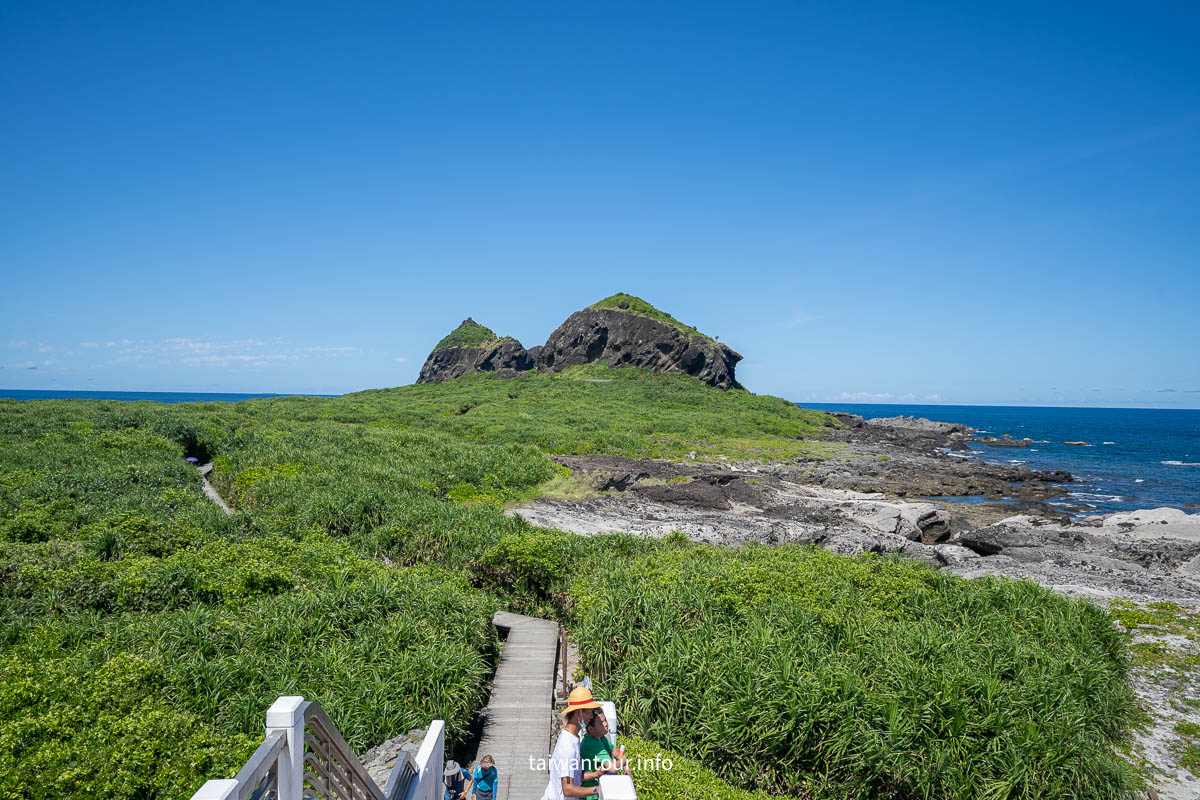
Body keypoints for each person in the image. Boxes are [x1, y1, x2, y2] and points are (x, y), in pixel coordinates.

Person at [539, 686, 618, 800]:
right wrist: (597, 789)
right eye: (589, 713)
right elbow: (567, 789)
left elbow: (574, 777)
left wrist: (595, 774)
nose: (591, 717)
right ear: (578, 713)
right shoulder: (567, 746)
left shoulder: (573, 738)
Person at [579, 709, 628, 794]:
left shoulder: (601, 737)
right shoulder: (592, 743)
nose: (605, 724)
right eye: (601, 723)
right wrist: (623, 761)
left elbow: (617, 753)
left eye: (605, 720)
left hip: (599, 785)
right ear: (591, 729)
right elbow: (612, 768)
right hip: (590, 792)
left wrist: (627, 770)